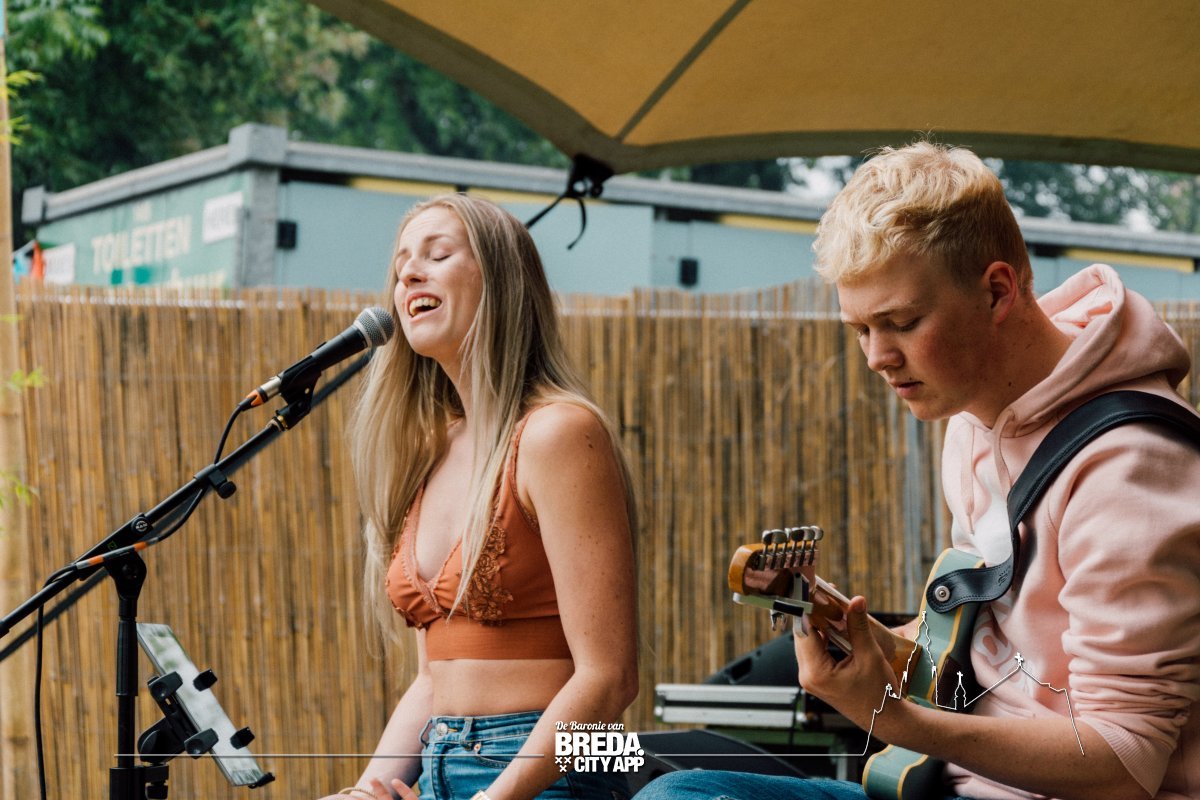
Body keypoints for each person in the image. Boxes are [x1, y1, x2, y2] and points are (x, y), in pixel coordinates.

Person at [635, 142, 1200, 800]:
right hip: (956, 786)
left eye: (900, 322)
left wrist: (896, 719)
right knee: (645, 777)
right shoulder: (970, 421)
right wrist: (865, 641)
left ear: (997, 291)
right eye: (859, 329)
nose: (877, 356)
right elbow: (978, 668)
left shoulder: (1129, 468)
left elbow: (1125, 760)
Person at [321, 194, 639, 800]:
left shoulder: (558, 432)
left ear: (501, 281)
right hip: (442, 764)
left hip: (559, 770)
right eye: (401, 266)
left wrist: (495, 798)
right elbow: (433, 680)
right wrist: (366, 789)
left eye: (438, 255)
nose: (409, 275)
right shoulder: (433, 449)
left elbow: (610, 679)